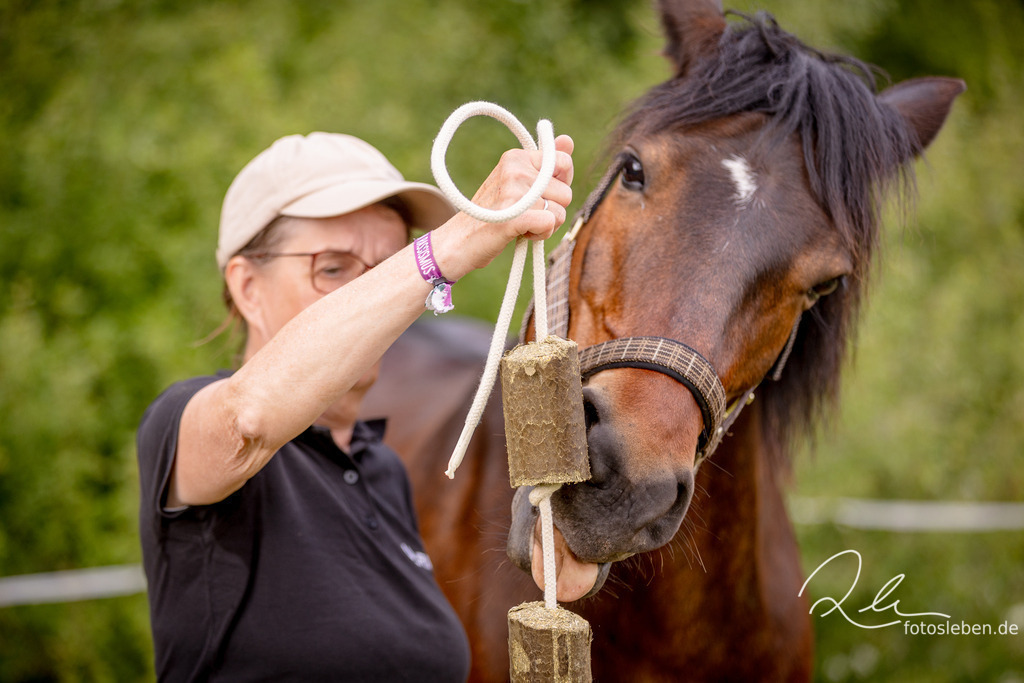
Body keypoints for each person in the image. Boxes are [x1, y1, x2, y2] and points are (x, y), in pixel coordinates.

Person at [136, 130, 574, 681]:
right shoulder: (180, 424)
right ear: (248, 287)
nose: (374, 298)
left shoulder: (381, 469)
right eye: (334, 268)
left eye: (385, 269)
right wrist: (451, 244)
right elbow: (246, 419)